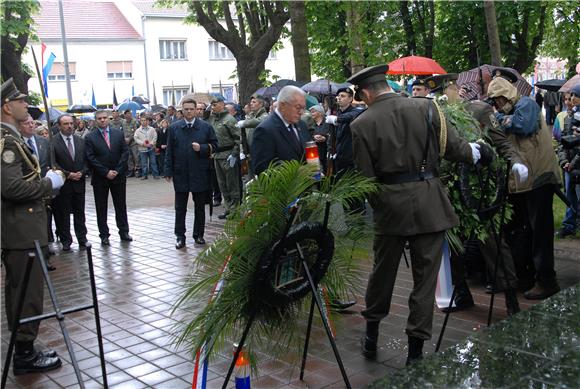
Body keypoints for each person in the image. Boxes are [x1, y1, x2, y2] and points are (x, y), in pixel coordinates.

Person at [348, 65, 483, 364]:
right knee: (425, 280)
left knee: (382, 274)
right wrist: (478, 153)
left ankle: (371, 336)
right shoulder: (427, 108)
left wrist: (383, 205)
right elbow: (455, 149)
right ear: (386, 85)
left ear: (366, 92)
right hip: (429, 202)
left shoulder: (361, 124)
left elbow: (365, 180)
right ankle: (415, 353)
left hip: (389, 208)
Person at [426, 73, 523, 315]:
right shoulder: (431, 116)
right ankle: (461, 292)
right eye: (436, 94)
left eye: (443, 92)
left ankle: (511, 295)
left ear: (455, 88)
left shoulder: (478, 110)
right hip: (449, 189)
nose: (440, 98)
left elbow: (501, 142)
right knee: (454, 247)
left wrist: (516, 162)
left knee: (492, 242)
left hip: (479, 187)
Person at [1, 78, 64, 375]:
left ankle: (23, 345)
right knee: (27, 294)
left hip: (21, 229)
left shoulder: (9, 137)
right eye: (21, 101)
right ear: (6, 106)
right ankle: (24, 354)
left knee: (20, 291)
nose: (25, 105)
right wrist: (48, 184)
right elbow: (11, 188)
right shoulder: (7, 141)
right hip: (21, 231)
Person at [487, 76, 562, 300]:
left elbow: (524, 125)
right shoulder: (514, 107)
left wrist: (499, 119)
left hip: (539, 178)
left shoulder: (526, 104)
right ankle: (528, 276)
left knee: (540, 233)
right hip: (525, 182)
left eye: (497, 100)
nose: (497, 105)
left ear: (506, 95)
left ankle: (546, 281)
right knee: (525, 230)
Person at [164, 97, 218, 249]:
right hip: (180, 172)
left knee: (200, 206)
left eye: (191, 109)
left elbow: (215, 145)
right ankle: (180, 236)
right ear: (181, 110)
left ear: (196, 110)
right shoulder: (174, 128)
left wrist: (202, 148)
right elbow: (169, 150)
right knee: (180, 207)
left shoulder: (206, 127)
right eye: (186, 109)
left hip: (199, 172)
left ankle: (198, 235)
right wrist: (168, 170)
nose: (188, 111)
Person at [85, 110, 132, 245]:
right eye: (99, 118)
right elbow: (90, 157)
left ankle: (124, 232)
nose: (103, 120)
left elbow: (125, 152)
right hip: (100, 178)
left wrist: (117, 171)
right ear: (95, 120)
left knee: (120, 206)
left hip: (118, 177)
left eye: (105, 118)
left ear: (109, 119)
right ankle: (104, 235)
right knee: (101, 207)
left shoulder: (118, 133)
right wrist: (105, 172)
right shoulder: (90, 137)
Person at [251, 86, 308, 175]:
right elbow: (262, 170)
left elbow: (311, 152)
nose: (301, 112)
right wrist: (296, 175)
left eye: (303, 108)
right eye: (298, 107)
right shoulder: (265, 130)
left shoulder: (302, 125)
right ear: (282, 105)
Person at [51, 114, 88, 251]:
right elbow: (53, 163)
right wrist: (68, 174)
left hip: (79, 183)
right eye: (65, 124)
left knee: (80, 213)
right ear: (59, 126)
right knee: (63, 215)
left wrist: (82, 172)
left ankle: (82, 239)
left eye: (71, 123)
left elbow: (86, 160)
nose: (69, 126)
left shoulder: (80, 141)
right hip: (64, 184)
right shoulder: (53, 142)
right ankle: (66, 240)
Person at [208, 96, 240, 219]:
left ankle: (235, 209)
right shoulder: (213, 120)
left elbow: (238, 138)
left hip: (228, 155)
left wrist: (234, 154)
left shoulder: (229, 119)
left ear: (222, 104)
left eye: (215, 104)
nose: (212, 107)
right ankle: (227, 208)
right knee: (222, 184)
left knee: (232, 184)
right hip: (217, 155)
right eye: (211, 105)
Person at [556, 85, 580, 238]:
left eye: (574, 95)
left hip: (576, 164)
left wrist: (573, 164)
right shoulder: (569, 117)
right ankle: (569, 225)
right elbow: (563, 142)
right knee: (569, 196)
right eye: (570, 96)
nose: (571, 99)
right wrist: (564, 161)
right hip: (569, 165)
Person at [310, 104, 330, 174]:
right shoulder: (311, 124)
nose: (311, 114)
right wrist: (313, 137)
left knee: (326, 173)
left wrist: (325, 138)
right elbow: (308, 137)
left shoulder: (328, 123)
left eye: (313, 111)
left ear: (320, 113)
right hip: (314, 155)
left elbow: (333, 136)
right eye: (311, 112)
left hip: (326, 154)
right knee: (316, 175)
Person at [122, 110, 139, 177]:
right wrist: (125, 139)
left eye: (130, 113)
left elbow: (135, 131)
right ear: (125, 115)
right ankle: (131, 170)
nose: (130, 115)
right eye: (128, 114)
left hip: (134, 142)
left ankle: (137, 170)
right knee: (129, 157)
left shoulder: (134, 121)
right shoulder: (123, 122)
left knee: (136, 156)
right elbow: (123, 131)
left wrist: (130, 139)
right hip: (126, 142)